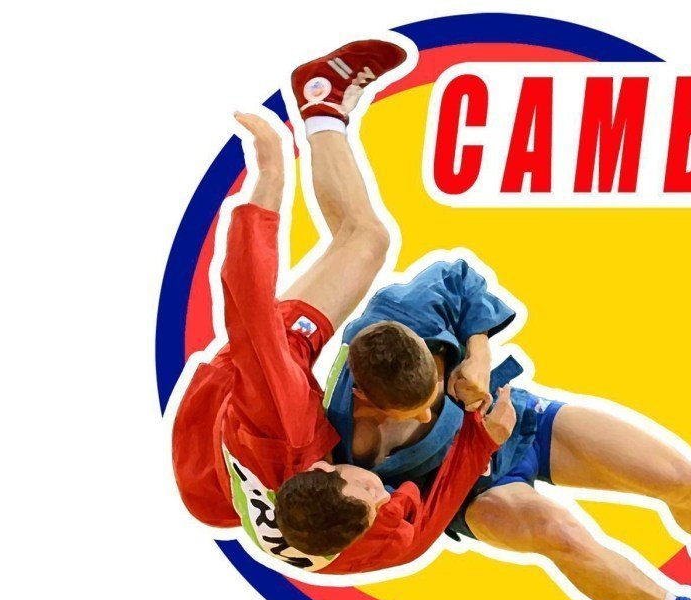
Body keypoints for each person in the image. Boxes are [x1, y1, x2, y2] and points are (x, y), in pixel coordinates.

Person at [280, 258, 691, 600]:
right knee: (559, 533)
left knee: (681, 477)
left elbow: (460, 277)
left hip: (518, 420)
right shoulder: (330, 456)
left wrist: (477, 354)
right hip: (466, 490)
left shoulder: (397, 316)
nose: (429, 415)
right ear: (365, 400)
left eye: (434, 397)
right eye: (415, 412)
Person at [171, 40, 516, 572]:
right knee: (361, 239)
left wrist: (269, 176)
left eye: (367, 488)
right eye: (378, 502)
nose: (382, 491)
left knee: (366, 239)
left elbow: (247, 302)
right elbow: (421, 532)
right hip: (208, 492)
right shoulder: (370, 529)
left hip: (223, 415)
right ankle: (322, 106)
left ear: (324, 468)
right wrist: (482, 439)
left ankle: (321, 98)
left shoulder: (282, 416)